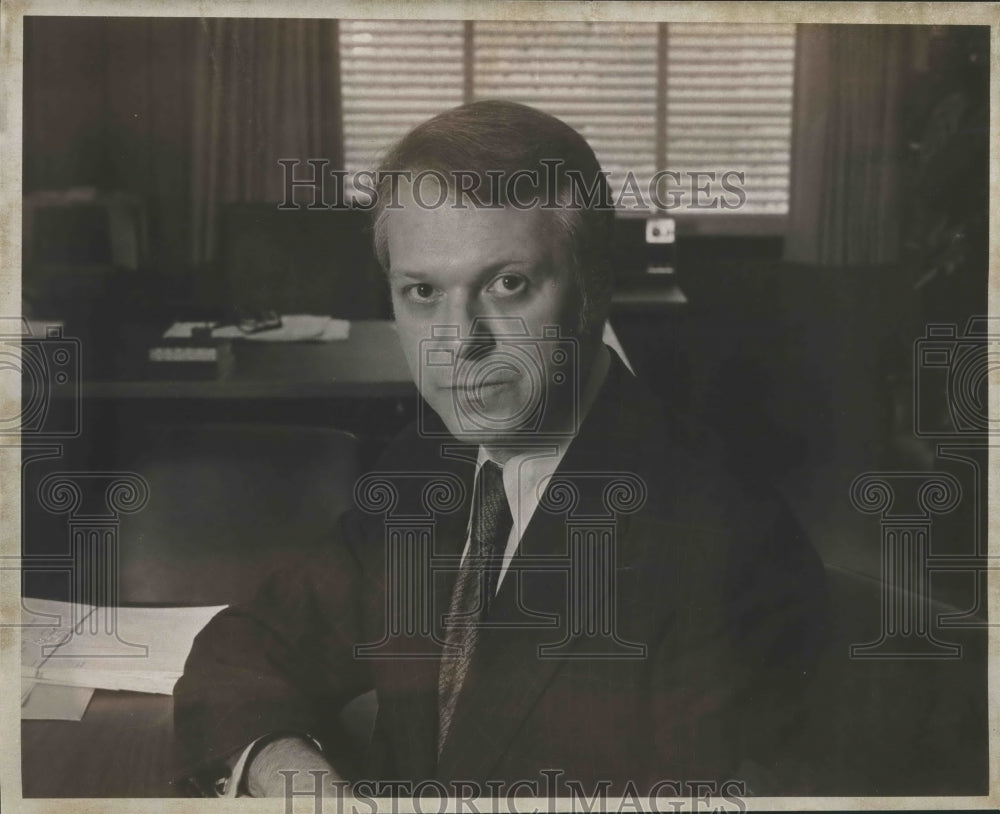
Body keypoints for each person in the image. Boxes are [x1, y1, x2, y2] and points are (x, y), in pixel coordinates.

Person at [173, 100, 830, 800]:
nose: (458, 342)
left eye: (507, 284)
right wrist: (296, 778)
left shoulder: (722, 540)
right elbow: (252, 645)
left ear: (593, 292)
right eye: (422, 291)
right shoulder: (425, 461)